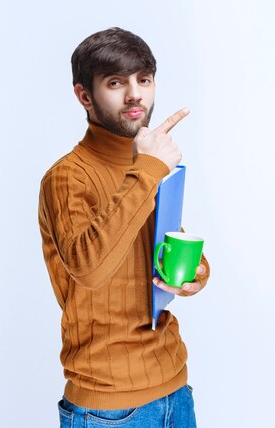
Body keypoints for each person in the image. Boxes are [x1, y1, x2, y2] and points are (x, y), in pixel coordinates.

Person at [38, 27, 210, 428]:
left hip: (174, 389)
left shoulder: (148, 167)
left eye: (144, 80)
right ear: (84, 95)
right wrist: (149, 169)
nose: (135, 95)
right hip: (108, 409)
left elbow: (167, 248)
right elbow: (90, 268)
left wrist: (195, 274)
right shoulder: (67, 177)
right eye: (116, 83)